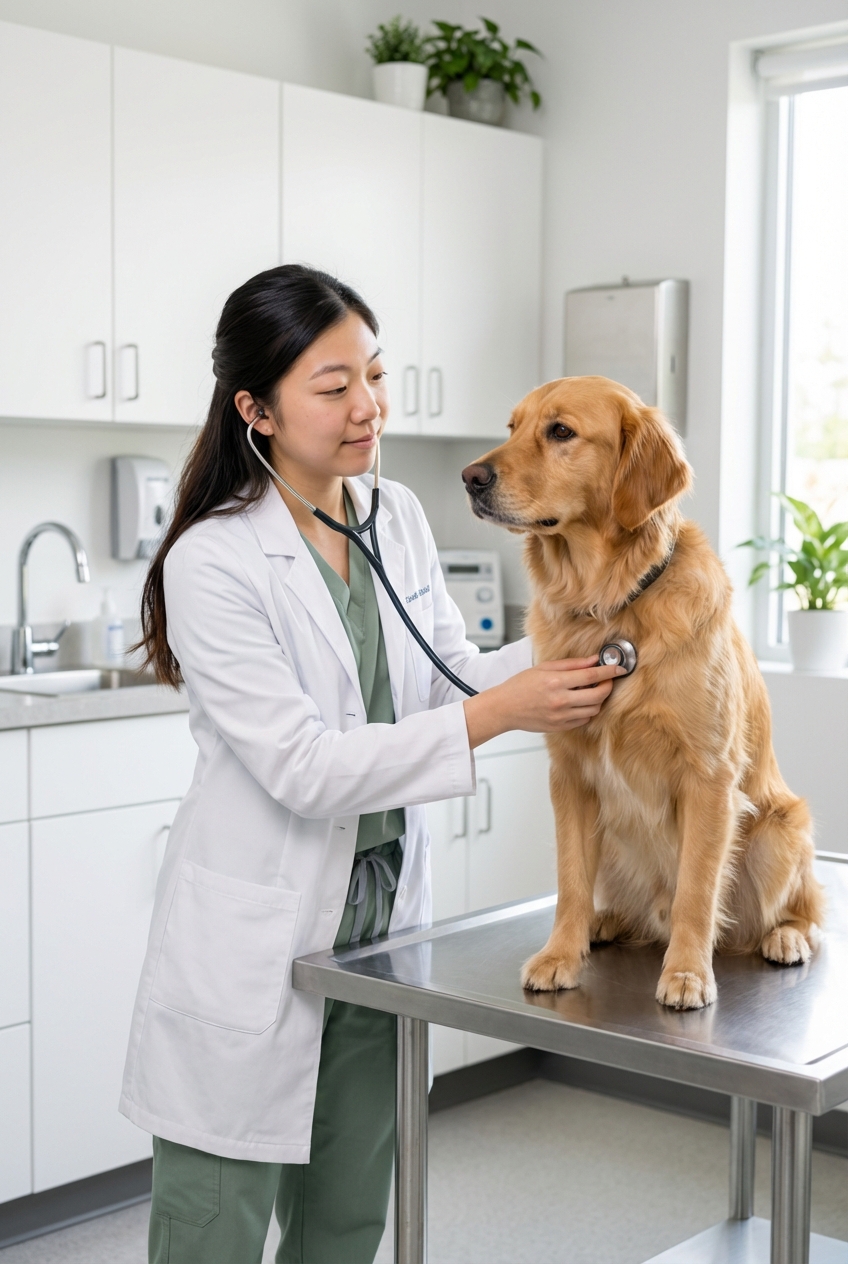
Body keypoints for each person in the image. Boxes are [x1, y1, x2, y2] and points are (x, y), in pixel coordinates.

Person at [121, 264, 623, 1264]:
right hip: (258, 943)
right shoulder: (212, 561)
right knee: (211, 1233)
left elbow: (447, 677)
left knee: (347, 1223)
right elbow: (304, 767)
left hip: (377, 941)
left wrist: (606, 621)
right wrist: (495, 716)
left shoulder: (389, 517)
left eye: (376, 374)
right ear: (255, 409)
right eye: (334, 383)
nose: (368, 406)